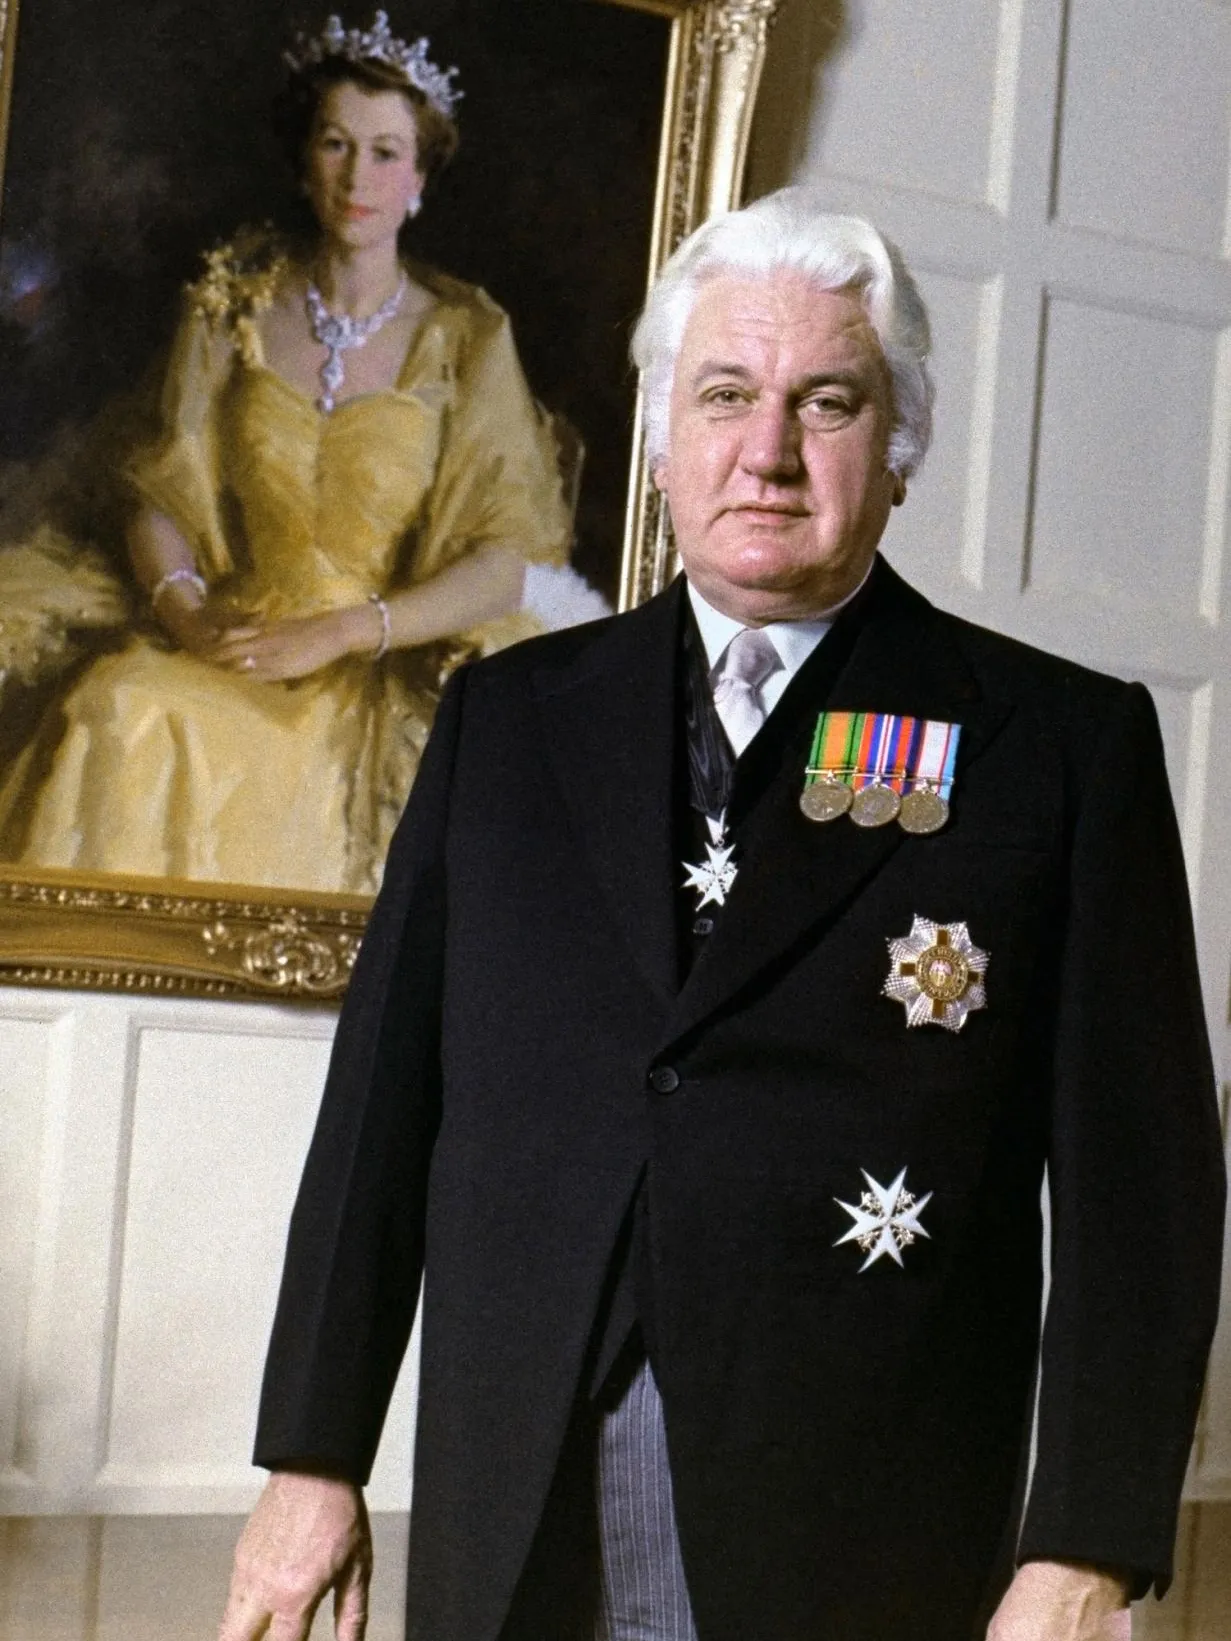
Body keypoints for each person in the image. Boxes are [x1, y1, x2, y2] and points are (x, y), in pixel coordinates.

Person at [220, 190, 1225, 1640]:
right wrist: (311, 1458)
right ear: (659, 439)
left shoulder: (1053, 748)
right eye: (724, 397)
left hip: (859, 1520)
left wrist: (1083, 1547)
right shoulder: (505, 721)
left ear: (899, 448)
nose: (765, 452)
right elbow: (379, 1112)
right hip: (513, 1494)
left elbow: (1143, 1195)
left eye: (825, 402)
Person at [0, 11, 594, 894]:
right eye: (335, 143)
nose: (358, 176)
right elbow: (159, 490)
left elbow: (506, 559)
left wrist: (349, 629)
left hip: (368, 666)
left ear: (420, 176)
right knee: (114, 706)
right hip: (228, 635)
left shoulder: (464, 337)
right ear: (304, 159)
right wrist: (192, 616)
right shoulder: (230, 305)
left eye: (386, 153)